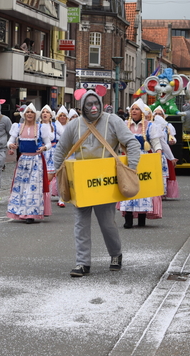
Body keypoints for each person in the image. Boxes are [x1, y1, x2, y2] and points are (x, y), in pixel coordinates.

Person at [54, 89, 140, 277]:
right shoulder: (74, 125)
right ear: (82, 106)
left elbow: (132, 143)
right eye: (89, 104)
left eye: (96, 104)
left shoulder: (113, 121)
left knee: (107, 222)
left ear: (101, 104)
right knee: (80, 223)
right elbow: (60, 150)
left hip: (105, 182)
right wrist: (59, 174)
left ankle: (116, 254)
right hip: (81, 181)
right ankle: (82, 263)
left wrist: (130, 169)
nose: (93, 108)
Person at [119, 99, 163, 228]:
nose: (134, 111)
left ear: (142, 113)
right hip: (128, 159)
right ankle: (128, 218)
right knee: (128, 186)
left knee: (143, 188)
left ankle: (142, 218)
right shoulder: (124, 124)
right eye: (132, 109)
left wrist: (158, 154)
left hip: (144, 160)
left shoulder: (150, 126)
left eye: (137, 109)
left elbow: (155, 143)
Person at [6, 103, 52, 223]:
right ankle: (20, 211)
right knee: (21, 186)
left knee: (33, 187)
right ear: (24, 114)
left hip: (36, 160)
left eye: (32, 112)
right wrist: (11, 146)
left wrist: (44, 148)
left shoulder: (41, 127)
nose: (29, 114)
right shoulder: (18, 126)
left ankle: (31, 214)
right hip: (23, 160)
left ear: (35, 115)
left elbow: (48, 143)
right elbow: (10, 141)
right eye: (27, 112)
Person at [153, 106, 179, 199]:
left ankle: (163, 192)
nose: (157, 116)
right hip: (153, 152)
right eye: (156, 113)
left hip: (164, 152)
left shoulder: (168, 126)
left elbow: (171, 138)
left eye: (160, 114)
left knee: (165, 173)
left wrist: (173, 141)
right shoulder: (150, 125)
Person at [40, 105, 63, 207]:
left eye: (47, 112)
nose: (45, 114)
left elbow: (66, 135)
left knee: (48, 177)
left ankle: (45, 197)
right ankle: (40, 197)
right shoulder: (37, 126)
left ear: (51, 115)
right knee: (39, 177)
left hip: (52, 152)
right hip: (40, 152)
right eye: (43, 112)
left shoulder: (55, 125)